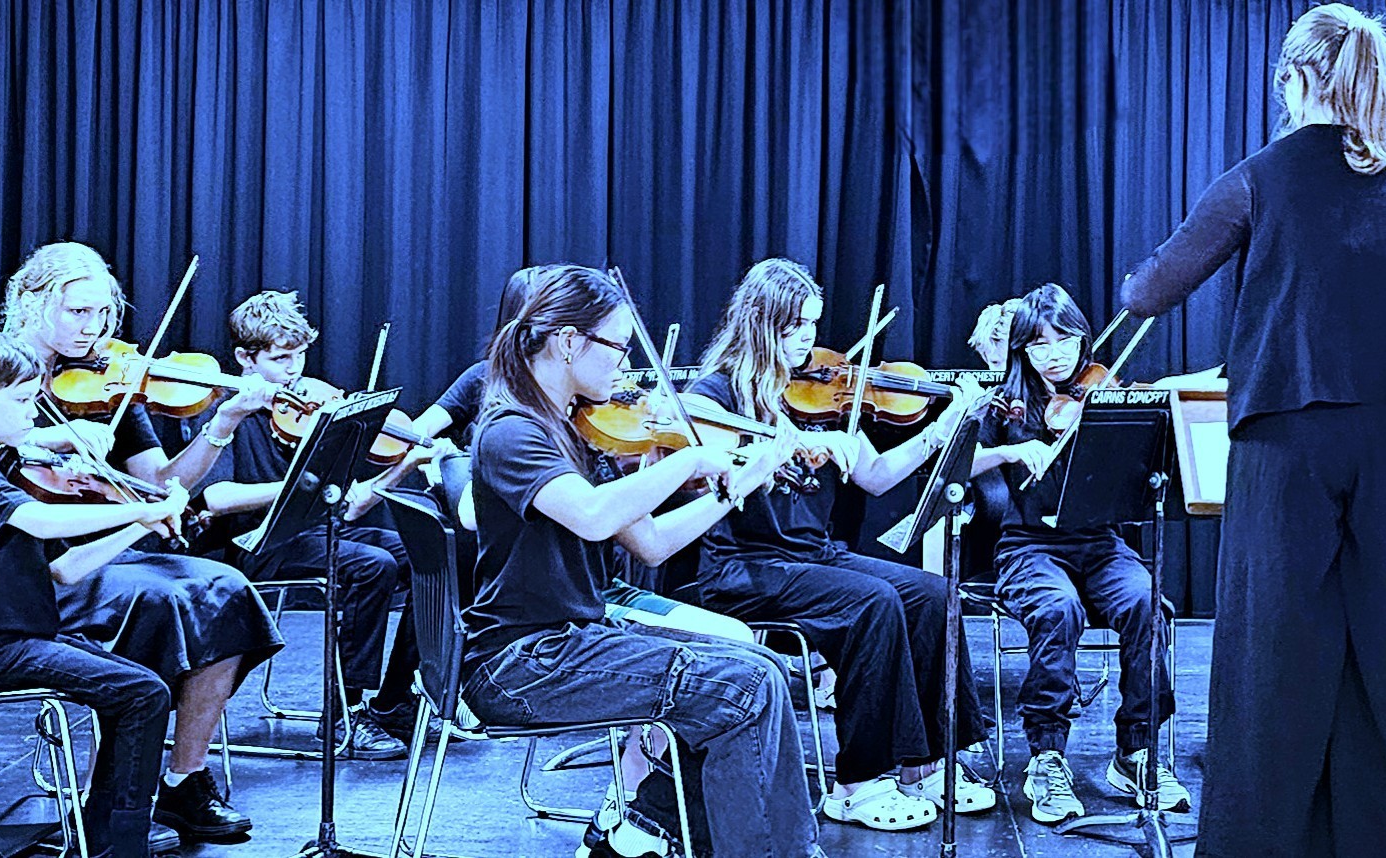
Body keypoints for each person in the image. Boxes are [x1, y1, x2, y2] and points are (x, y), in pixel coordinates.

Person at [1114, 5, 1386, 852]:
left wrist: (1133, 279)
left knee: (1275, 647)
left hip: (1288, 439)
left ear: (1294, 80)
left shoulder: (1258, 176)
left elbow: (1149, 294)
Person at [0, 242, 281, 843]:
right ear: (30, 303)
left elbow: (161, 484)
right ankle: (119, 809)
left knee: (224, 588)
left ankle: (182, 781)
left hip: (92, 557)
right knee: (169, 604)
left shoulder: (111, 377)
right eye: (78, 313)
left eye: (103, 314)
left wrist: (222, 425)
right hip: (15, 578)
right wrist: (51, 443)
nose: (94, 329)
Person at [461, 263, 817, 857]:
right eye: (618, 348)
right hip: (524, 661)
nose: (626, 368)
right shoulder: (511, 432)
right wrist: (689, 459)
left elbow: (651, 544)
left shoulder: (575, 429)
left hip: (578, 637)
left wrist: (736, 485)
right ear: (569, 342)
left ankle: (648, 827)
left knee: (758, 666)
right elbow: (595, 516)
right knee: (747, 685)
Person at [682, 257, 994, 831]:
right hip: (745, 565)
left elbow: (876, 476)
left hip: (811, 555)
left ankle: (926, 764)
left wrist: (942, 428)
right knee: (872, 603)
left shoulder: (811, 394)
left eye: (812, 326)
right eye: (795, 325)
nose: (807, 339)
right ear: (760, 323)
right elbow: (708, 455)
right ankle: (855, 785)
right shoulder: (715, 393)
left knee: (931, 593)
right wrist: (787, 442)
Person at [0, 327, 190, 858]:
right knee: (143, 693)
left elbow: (64, 569)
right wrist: (139, 507)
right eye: (21, 402)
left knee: (139, 684)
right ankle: (121, 846)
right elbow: (41, 521)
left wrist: (144, 524)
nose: (30, 416)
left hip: (20, 636)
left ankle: (102, 832)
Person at [959, 283, 1188, 824]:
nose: (1055, 354)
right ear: (1022, 350)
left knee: (1145, 603)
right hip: (1027, 546)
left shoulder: (1103, 393)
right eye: (1040, 345)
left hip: (1100, 543)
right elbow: (953, 465)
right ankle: (1046, 756)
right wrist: (1014, 447)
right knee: (1059, 609)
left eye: (1065, 340)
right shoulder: (999, 402)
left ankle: (1135, 751)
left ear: (1084, 339)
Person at [214, 289, 436, 758]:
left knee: (428, 551)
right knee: (372, 565)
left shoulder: (302, 411)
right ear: (244, 358)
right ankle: (342, 714)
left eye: (299, 357)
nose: (294, 371)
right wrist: (298, 486)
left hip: (308, 531)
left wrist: (401, 464)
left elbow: (350, 507)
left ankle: (393, 700)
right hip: (251, 543)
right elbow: (217, 497)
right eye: (280, 359)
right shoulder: (226, 408)